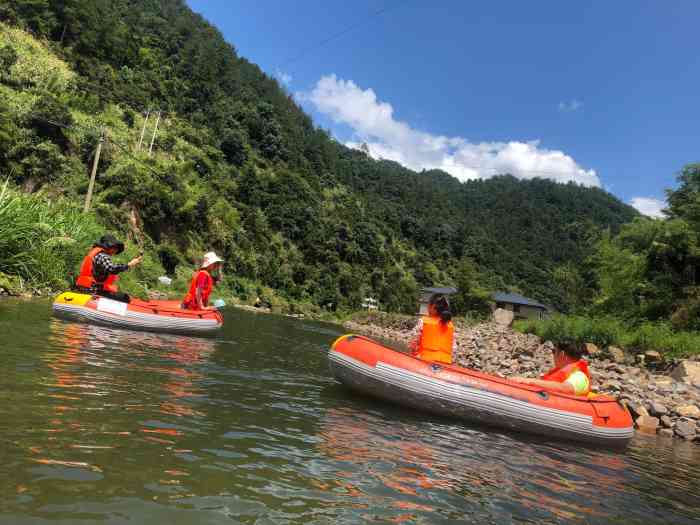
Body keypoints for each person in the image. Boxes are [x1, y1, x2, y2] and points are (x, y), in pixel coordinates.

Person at [75, 234, 142, 303]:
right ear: (107, 246)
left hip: (85, 288)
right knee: (125, 298)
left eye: (117, 248)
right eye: (114, 247)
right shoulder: (103, 256)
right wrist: (129, 265)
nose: (115, 250)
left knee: (118, 295)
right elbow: (111, 269)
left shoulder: (98, 254)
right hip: (93, 291)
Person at [510, 345, 591, 396]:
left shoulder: (579, 376)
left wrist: (528, 381)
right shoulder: (565, 373)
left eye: (554, 351)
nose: (552, 355)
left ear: (562, 354)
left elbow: (566, 388)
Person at [409, 294, 456, 365]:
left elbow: (413, 344)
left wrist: (414, 358)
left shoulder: (422, 322)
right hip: (445, 365)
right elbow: (454, 349)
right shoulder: (450, 326)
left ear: (432, 306)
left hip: (424, 362)